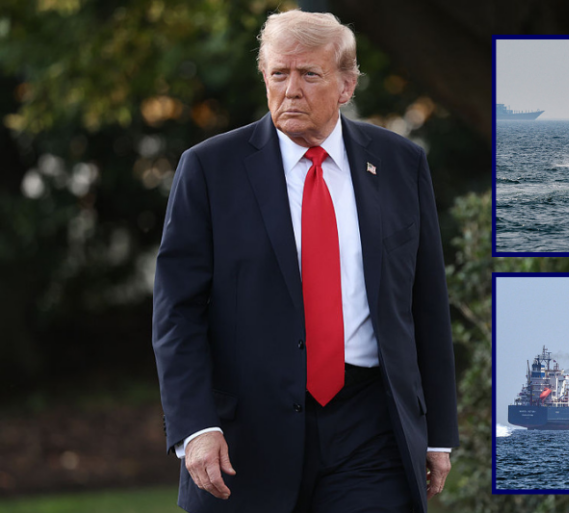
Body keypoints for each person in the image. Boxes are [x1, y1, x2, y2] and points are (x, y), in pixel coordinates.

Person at [152, 9, 459, 513]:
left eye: (308, 74)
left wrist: (438, 433)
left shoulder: (401, 163)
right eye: (279, 74)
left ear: (346, 85)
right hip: (245, 434)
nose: (290, 89)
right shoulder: (209, 170)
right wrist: (196, 426)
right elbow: (176, 312)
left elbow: (425, 303)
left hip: (370, 425)